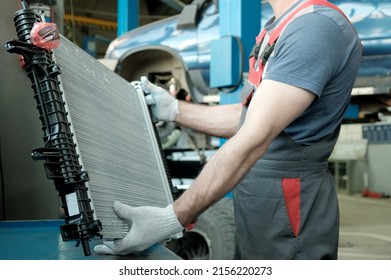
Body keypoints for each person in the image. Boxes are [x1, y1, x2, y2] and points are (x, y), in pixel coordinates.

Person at [94, 0, 362, 259]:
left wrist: (171, 218)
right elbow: (249, 117)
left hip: (290, 202)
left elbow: (253, 138)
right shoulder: (281, 26)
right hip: (261, 197)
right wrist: (174, 109)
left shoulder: (313, 28)